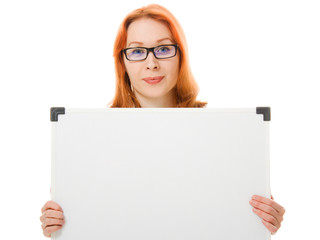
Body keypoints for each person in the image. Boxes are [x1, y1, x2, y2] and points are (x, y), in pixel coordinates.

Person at [40, 4, 285, 237]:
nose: (151, 63)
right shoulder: (89, 140)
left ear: (181, 56)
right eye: (136, 51)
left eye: (163, 49)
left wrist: (258, 220)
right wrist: (60, 225)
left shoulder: (225, 137)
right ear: (122, 63)